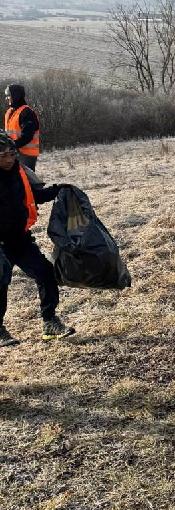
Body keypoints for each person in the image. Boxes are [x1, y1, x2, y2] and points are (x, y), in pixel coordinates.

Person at [0, 132, 74, 347]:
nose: (9, 159)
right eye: (3, 155)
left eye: (12, 153)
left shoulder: (21, 172)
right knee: (1, 280)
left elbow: (36, 195)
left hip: (20, 239)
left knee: (45, 273)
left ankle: (50, 322)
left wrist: (59, 190)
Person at [4, 84, 40, 171]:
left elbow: (27, 136)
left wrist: (12, 145)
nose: (7, 98)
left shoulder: (27, 113)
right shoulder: (10, 112)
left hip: (26, 155)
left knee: (26, 181)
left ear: (16, 96)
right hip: (12, 153)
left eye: (9, 95)